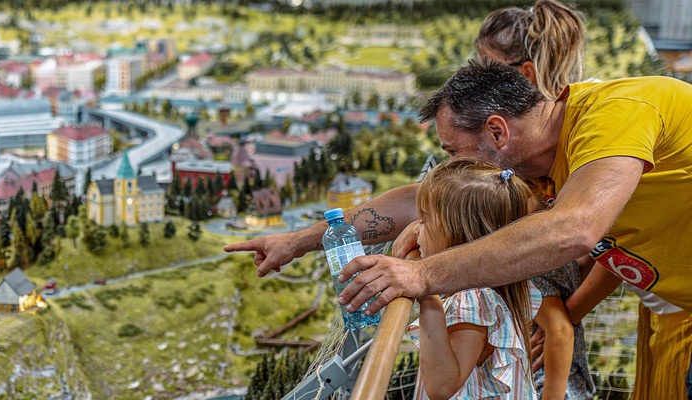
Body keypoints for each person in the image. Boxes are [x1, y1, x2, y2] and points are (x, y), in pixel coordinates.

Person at [224, 59, 692, 397]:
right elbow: (422, 196)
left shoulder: (617, 114)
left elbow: (575, 229)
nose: (449, 166)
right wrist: (299, 240)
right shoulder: (538, 165)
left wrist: (422, 276)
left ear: (496, 132)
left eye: (452, 152)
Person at [475, 2, 600, 398]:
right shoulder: (542, 138)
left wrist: (564, 319)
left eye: (486, 70)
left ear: (525, 74)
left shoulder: (586, 132)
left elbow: (616, 247)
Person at [409, 158, 537, 400]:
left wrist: (425, 291)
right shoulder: (498, 285)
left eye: (424, 221)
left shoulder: (471, 298)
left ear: (457, 232)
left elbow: (442, 386)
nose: (416, 230)